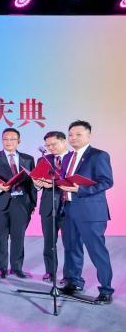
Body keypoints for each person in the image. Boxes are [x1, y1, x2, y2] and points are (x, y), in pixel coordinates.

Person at [58, 120, 114, 304]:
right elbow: (65, 181)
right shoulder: (67, 157)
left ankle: (106, 290)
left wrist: (80, 190)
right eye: (70, 135)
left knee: (97, 251)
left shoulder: (98, 155)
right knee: (71, 248)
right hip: (69, 209)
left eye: (78, 134)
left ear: (89, 136)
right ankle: (74, 282)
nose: (73, 138)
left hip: (91, 212)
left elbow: (106, 181)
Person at [0, 128, 36, 279]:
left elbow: (32, 182)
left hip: (21, 204)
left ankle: (17, 268)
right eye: (5, 139)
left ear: (18, 141)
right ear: (2, 140)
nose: (8, 142)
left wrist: (32, 203)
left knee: (18, 237)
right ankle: (1, 268)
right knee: (1, 237)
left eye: (12, 139)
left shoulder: (28, 159)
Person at [33, 131, 71, 283]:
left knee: (70, 244)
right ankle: (50, 272)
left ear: (64, 142)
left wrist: (54, 183)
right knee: (49, 242)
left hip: (69, 206)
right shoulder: (43, 159)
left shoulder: (73, 158)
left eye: (53, 144)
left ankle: (69, 276)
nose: (50, 148)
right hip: (49, 206)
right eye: (47, 145)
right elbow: (37, 182)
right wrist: (37, 184)